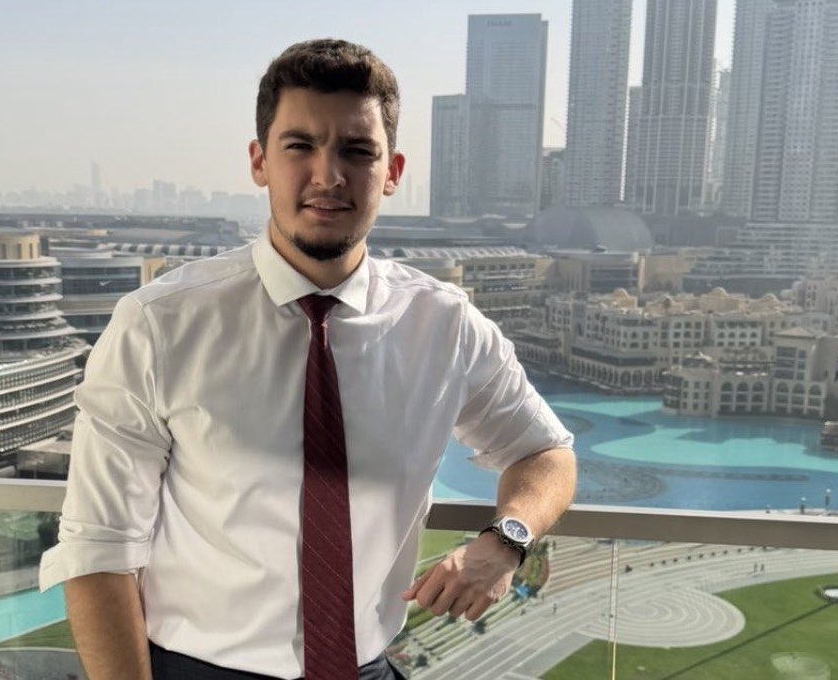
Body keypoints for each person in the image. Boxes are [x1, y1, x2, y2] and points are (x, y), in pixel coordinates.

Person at [39, 39, 577, 680]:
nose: (328, 175)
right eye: (300, 146)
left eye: (357, 151)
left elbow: (546, 452)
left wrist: (506, 540)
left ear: (392, 171)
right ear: (259, 162)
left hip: (366, 667)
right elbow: (99, 550)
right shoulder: (160, 325)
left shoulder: (444, 325)